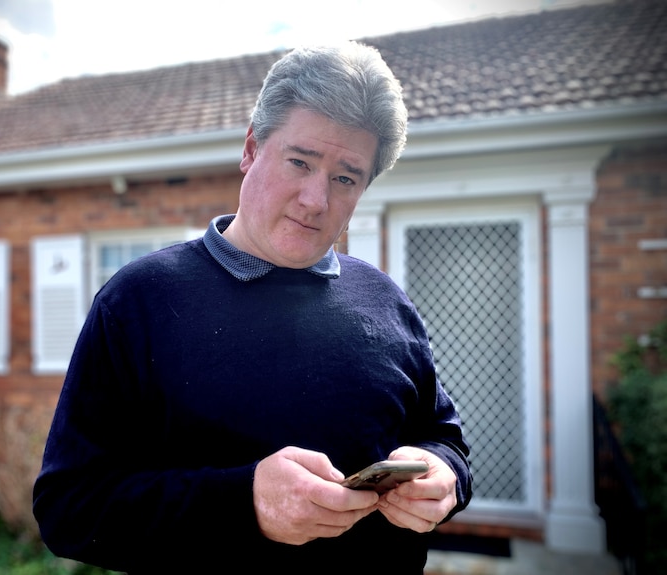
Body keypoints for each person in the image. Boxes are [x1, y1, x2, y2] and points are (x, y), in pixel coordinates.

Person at [33, 41, 472, 574]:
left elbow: (445, 439)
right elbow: (69, 508)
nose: (316, 198)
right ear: (250, 150)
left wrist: (442, 474)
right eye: (299, 162)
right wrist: (243, 503)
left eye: (345, 177)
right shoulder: (138, 300)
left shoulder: (386, 301)